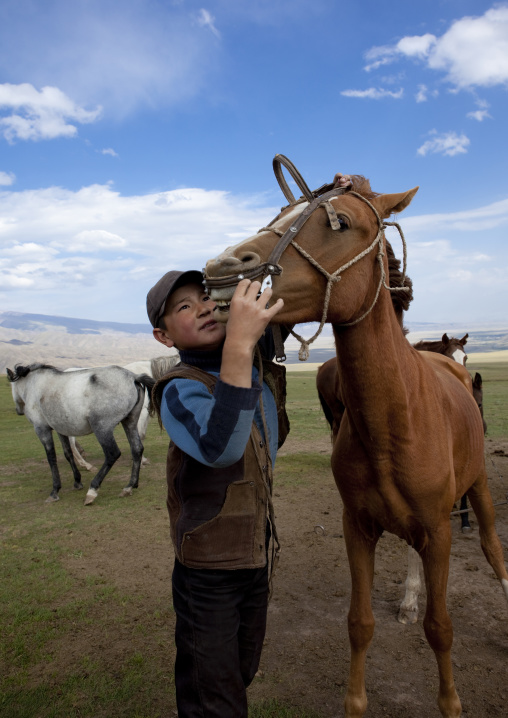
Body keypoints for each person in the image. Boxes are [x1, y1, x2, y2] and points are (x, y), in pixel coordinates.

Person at [146, 269, 289, 718]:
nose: (205, 307)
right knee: (214, 696)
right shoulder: (177, 388)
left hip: (254, 558)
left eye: (207, 297)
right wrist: (241, 344)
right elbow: (221, 447)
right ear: (164, 336)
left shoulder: (254, 366)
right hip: (206, 572)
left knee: (238, 671)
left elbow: (293, 286)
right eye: (184, 307)